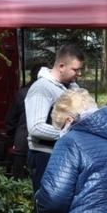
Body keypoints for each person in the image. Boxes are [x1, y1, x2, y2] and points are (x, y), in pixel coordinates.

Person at [25, 45, 84, 191]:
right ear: (61, 66)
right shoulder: (42, 88)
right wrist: (69, 134)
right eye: (75, 70)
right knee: (46, 208)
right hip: (44, 157)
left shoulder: (70, 87)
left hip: (61, 155)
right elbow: (35, 127)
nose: (80, 74)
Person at [4, 83, 30, 178]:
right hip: (43, 146)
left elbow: (11, 121)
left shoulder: (22, 94)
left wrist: (11, 139)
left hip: (22, 143)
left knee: (20, 177)